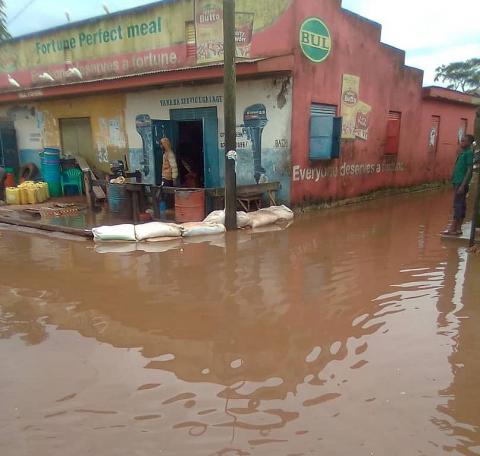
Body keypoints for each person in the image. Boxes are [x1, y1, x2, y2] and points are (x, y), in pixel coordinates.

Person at [442, 134, 475, 236]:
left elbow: (469, 169)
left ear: (469, 143)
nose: (462, 142)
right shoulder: (463, 153)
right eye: (461, 140)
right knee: (461, 204)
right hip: (457, 181)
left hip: (461, 183)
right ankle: (458, 229)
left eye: (464, 141)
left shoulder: (469, 153)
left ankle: (452, 228)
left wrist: (462, 185)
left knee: (457, 205)